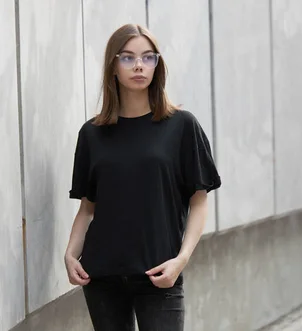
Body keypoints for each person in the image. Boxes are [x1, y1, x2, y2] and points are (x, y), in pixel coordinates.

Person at [63, 23, 221, 331]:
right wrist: (70, 254)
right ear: (113, 66)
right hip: (102, 277)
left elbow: (199, 204)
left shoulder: (182, 127)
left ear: (157, 65)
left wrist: (181, 260)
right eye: (128, 57)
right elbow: (88, 208)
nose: (139, 65)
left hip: (159, 274)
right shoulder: (92, 134)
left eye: (148, 57)